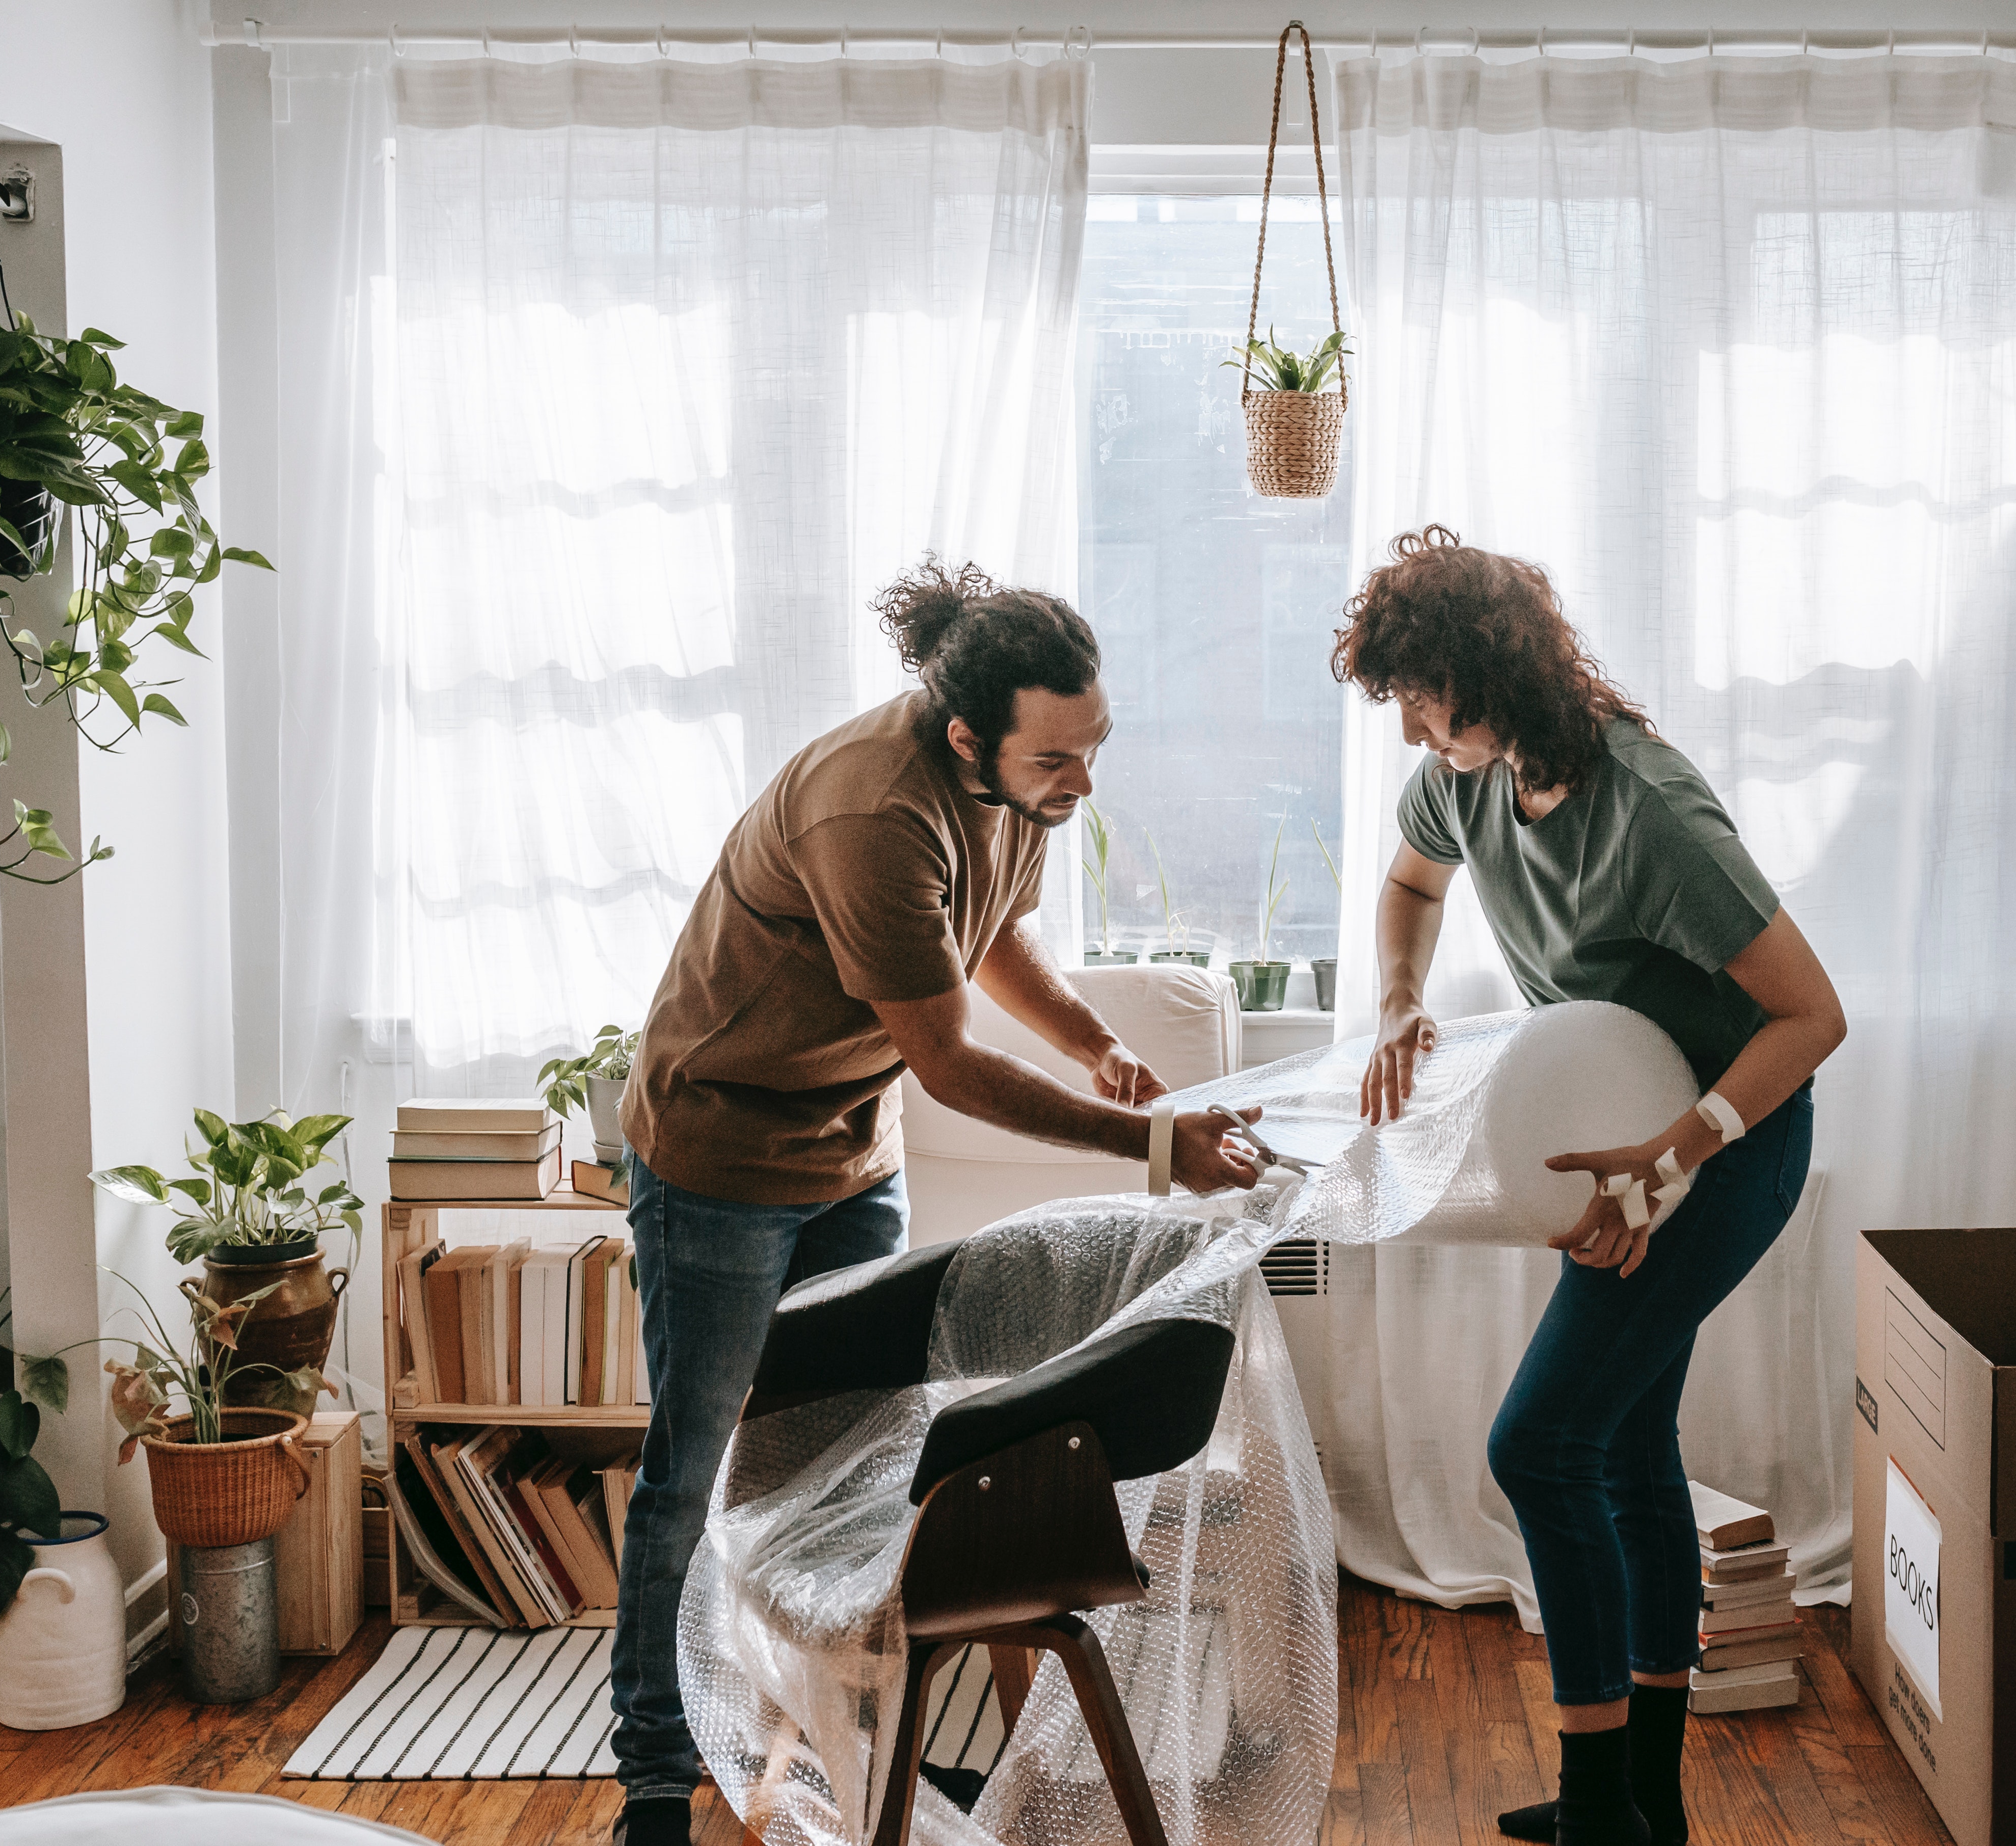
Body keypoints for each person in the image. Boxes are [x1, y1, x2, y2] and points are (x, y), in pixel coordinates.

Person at [606, 558, 1261, 1846]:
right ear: (969, 737)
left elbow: (992, 928)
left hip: (853, 1151)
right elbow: (952, 1061)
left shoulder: (1008, 791)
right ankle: (653, 1776)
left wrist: (1089, 1042)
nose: (1084, 781)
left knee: (864, 1456)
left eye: (1096, 747)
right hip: (721, 1159)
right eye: (1059, 759)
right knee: (697, 1470)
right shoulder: (871, 809)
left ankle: (850, 1743)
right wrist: (1154, 1142)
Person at [1333, 528, 1846, 1846]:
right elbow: (1406, 886)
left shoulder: (1651, 814)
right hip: (1613, 1134)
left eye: (1417, 700)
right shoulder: (1467, 782)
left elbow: (1812, 1018)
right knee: (1619, 1447)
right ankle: (1639, 1799)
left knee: (1537, 1444)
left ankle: (1604, 1811)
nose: (1407, 732)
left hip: (1727, 1142)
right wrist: (1396, 1001)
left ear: (1484, 676)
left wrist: (1676, 1152)